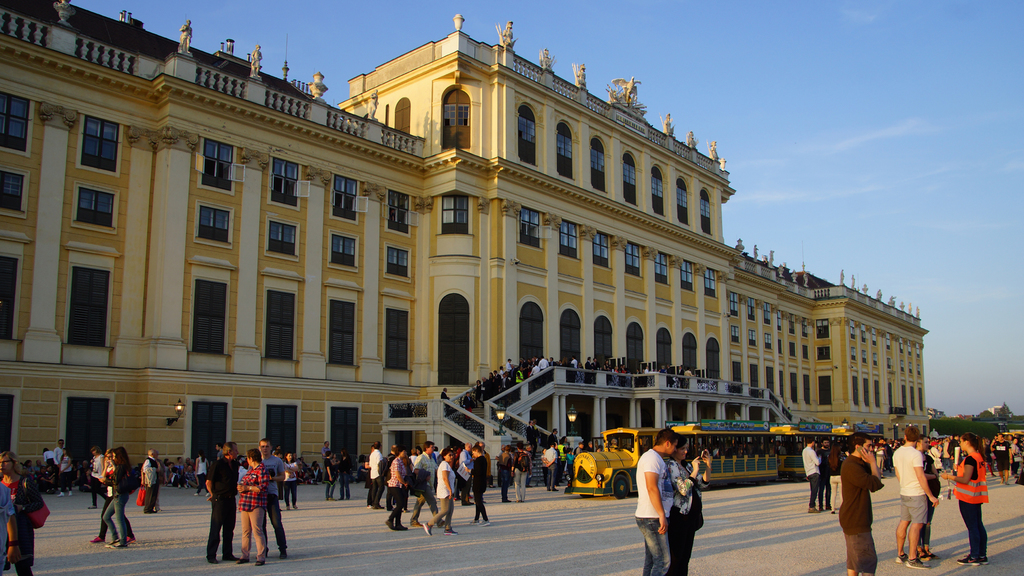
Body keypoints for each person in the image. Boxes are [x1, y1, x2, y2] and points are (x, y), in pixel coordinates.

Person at [892, 425, 938, 569]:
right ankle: (912, 558)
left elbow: (898, 473)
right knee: (917, 525)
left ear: (905, 437)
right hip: (916, 493)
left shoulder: (898, 452)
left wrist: (904, 484)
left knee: (904, 522)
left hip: (904, 491)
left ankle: (900, 554)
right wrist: (930, 496)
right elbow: (920, 476)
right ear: (917, 439)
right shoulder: (916, 454)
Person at [940, 432, 988, 566]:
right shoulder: (979, 457)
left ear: (967, 442)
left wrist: (949, 477)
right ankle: (981, 554)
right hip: (977, 494)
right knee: (978, 525)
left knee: (972, 527)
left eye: (961, 441)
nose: (960, 444)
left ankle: (974, 555)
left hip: (968, 496)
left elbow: (966, 479)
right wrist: (959, 468)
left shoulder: (970, 458)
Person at [840, 433, 884, 576]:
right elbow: (875, 484)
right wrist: (872, 463)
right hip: (856, 520)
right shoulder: (852, 465)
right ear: (858, 447)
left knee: (854, 562)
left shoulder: (856, 463)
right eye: (868, 446)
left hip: (854, 518)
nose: (872, 449)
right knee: (868, 562)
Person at [635, 428, 677, 576]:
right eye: (674, 445)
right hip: (652, 516)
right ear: (667, 443)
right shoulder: (652, 459)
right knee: (663, 561)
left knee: (652, 560)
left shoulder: (655, 458)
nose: (675, 449)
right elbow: (651, 487)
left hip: (650, 515)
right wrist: (661, 514)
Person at [667, 436, 711, 576]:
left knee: (686, 557)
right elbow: (683, 489)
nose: (685, 452)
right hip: (679, 518)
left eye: (686, 448)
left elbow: (703, 483)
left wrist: (708, 465)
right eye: (682, 449)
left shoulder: (687, 465)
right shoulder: (672, 466)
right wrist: (694, 472)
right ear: (674, 450)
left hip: (691, 519)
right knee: (677, 558)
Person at [3, 451, 46, 575]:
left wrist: (23, 507)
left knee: (22, 567)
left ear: (14, 463)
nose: (2, 465)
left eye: (5, 462)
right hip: (2, 528)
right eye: (0, 462)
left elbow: (39, 503)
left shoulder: (24, 482)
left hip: (20, 528)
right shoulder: (0, 483)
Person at [206, 442, 240, 564]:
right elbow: (209, 482)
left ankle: (227, 553)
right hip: (220, 499)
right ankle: (211, 555)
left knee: (229, 528)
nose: (237, 452)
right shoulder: (217, 464)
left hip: (231, 499)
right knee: (216, 527)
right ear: (229, 452)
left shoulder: (236, 464)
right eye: (235, 450)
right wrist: (212, 494)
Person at [237, 448, 269, 566]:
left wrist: (247, 488)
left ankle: (260, 556)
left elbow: (263, 487)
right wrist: (241, 487)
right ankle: (245, 555)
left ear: (251, 458)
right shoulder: (250, 471)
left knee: (257, 530)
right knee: (245, 531)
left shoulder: (262, 470)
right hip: (245, 503)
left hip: (256, 503)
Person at [257, 439, 287, 559]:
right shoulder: (256, 461)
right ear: (260, 448)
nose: (265, 448)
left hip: (272, 494)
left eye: (267, 446)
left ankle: (283, 548)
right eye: (263, 446)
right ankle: (264, 549)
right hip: (259, 496)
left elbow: (282, 476)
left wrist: (272, 478)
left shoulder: (277, 460)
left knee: (277, 523)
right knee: (261, 525)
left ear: (271, 447)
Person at [101, 447, 132, 548]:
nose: (112, 458)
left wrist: (105, 481)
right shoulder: (121, 466)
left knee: (120, 519)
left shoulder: (122, 466)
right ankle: (115, 537)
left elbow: (116, 481)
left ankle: (123, 541)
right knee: (106, 516)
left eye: (114, 456)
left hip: (120, 495)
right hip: (117, 495)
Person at [917, 438, 941, 562]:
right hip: (919, 492)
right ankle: (918, 548)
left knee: (928, 522)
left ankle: (926, 547)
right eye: (925, 442)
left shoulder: (929, 458)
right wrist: (932, 476)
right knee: (919, 521)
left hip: (931, 491)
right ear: (918, 443)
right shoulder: (915, 458)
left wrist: (932, 476)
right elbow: (919, 475)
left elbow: (935, 473)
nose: (928, 444)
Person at [425, 448, 457, 536]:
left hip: (448, 490)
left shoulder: (446, 465)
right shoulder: (444, 465)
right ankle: (429, 524)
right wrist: (450, 490)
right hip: (445, 491)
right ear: (444, 456)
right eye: (449, 455)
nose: (451, 457)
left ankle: (448, 528)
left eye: (452, 455)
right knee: (445, 510)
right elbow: (445, 478)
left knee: (450, 510)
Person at [408, 442, 438, 528]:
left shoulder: (431, 458)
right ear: (427, 448)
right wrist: (425, 475)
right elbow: (415, 470)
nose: (433, 449)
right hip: (424, 483)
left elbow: (436, 469)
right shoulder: (421, 458)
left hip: (430, 484)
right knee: (432, 501)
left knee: (420, 502)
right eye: (432, 447)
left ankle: (413, 520)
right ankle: (438, 520)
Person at [385, 446, 410, 531]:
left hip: (400, 485)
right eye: (404, 451)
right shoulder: (396, 462)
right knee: (400, 504)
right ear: (399, 452)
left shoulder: (401, 461)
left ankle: (398, 523)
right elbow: (398, 475)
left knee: (401, 503)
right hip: (394, 485)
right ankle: (390, 519)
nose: (406, 453)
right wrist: (404, 482)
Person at [470, 445, 490, 526]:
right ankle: (476, 518)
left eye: (473, 452)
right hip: (481, 482)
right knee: (477, 501)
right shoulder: (483, 459)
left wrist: (470, 471)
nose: (473, 454)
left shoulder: (478, 460)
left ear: (477, 451)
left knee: (478, 502)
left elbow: (478, 472)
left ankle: (485, 519)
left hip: (478, 482)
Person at [802, 439, 821, 513]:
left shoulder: (804, 451)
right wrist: (819, 458)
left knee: (812, 489)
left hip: (808, 472)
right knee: (815, 490)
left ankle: (812, 505)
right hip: (814, 471)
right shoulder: (811, 451)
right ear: (812, 442)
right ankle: (812, 506)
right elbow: (817, 462)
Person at [829, 444, 846, 514]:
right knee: (841, 493)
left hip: (832, 476)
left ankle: (832, 508)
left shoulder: (830, 457)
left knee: (833, 493)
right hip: (840, 476)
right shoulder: (841, 457)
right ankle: (842, 508)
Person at [141, 449, 159, 514]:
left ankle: (151, 508)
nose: (157, 455)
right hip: (150, 480)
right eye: (156, 454)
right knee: (149, 494)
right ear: (152, 454)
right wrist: (154, 469)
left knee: (154, 494)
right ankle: (147, 508)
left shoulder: (154, 460)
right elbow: (144, 469)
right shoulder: (148, 460)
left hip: (155, 479)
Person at [367, 442, 384, 509]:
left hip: (372, 473)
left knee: (374, 488)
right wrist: (381, 473)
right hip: (377, 473)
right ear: (380, 447)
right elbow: (380, 464)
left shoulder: (372, 454)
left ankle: (373, 502)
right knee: (381, 488)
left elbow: (370, 464)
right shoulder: (378, 454)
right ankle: (376, 502)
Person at [817, 440, 832, 512]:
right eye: (825, 442)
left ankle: (828, 504)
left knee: (829, 489)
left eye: (828, 442)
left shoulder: (831, 451)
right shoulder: (819, 451)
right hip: (822, 472)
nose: (827, 444)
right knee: (821, 489)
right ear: (822, 443)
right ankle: (820, 505)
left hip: (829, 472)